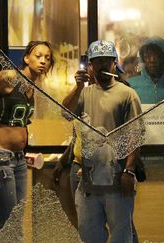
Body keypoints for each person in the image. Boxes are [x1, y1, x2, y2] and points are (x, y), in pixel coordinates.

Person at [62, 40, 142, 243]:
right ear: (90, 65)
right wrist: (78, 86)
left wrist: (129, 171)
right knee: (89, 237)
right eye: (97, 61)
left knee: (121, 237)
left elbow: (135, 134)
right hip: (88, 183)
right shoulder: (85, 93)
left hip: (117, 180)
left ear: (115, 63)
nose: (102, 65)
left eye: (107, 60)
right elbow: (65, 112)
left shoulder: (127, 94)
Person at [0, 40, 54, 236]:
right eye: (38, 56)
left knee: (15, 221)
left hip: (18, 159)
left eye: (47, 58)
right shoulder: (10, 78)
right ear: (26, 58)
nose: (43, 61)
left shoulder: (31, 87)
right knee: (8, 224)